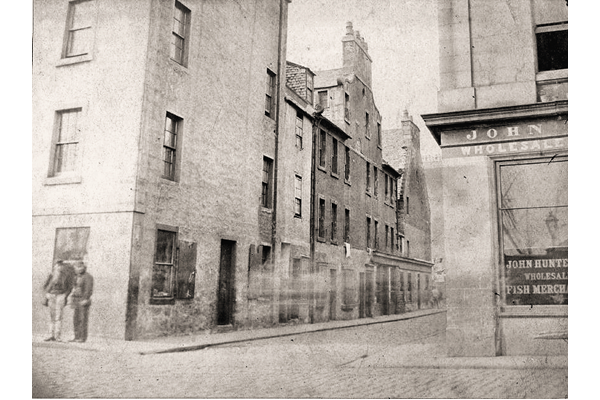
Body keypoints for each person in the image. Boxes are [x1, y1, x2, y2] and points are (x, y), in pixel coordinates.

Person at [42, 260, 74, 341]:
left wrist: (65, 295)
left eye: (60, 266)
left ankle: (57, 336)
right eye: (57, 266)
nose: (58, 267)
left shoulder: (66, 276)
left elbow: (70, 287)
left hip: (60, 296)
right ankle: (50, 334)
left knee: (58, 317)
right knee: (51, 316)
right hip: (51, 295)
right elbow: (44, 285)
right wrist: (47, 294)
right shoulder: (51, 275)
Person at [68, 261, 94, 343]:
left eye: (79, 267)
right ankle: (76, 336)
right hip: (76, 299)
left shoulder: (88, 277)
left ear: (83, 267)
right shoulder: (76, 276)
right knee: (75, 319)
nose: (77, 269)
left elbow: (88, 289)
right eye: (76, 268)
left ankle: (82, 338)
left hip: (83, 299)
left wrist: (85, 299)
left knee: (82, 319)